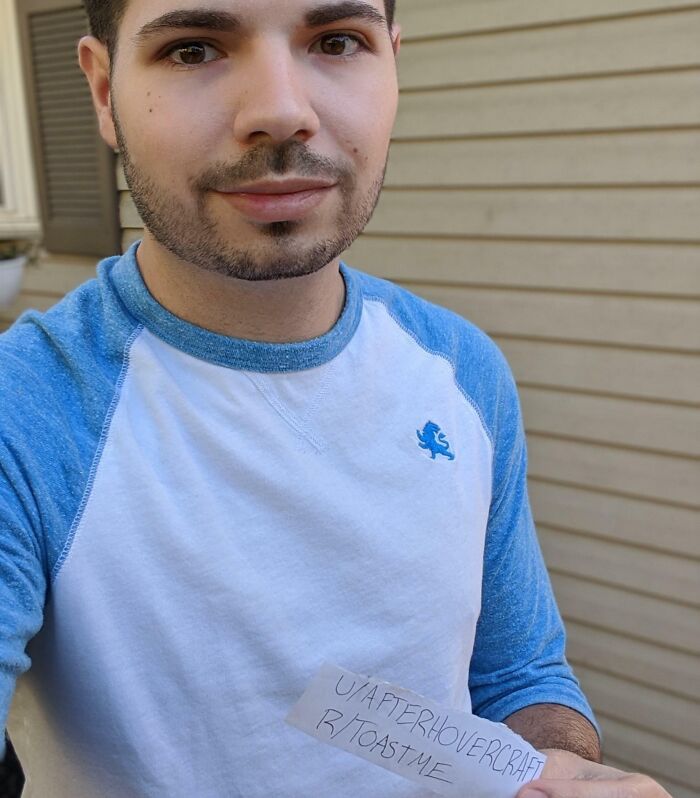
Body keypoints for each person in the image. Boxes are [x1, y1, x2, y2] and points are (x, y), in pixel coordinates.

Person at [0, 1, 672, 796]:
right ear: (106, 93)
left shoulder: (462, 368)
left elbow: (518, 673)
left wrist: (562, 770)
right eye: (192, 50)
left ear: (393, 64)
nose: (281, 112)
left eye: (337, 42)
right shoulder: (28, 407)